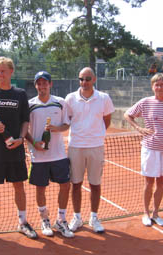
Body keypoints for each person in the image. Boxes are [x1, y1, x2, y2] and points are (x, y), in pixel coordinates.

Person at [0, 57, 37, 244]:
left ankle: (23, 222)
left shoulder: (19, 94)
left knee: (19, 186)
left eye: (3, 71)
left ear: (11, 72)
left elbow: (25, 120)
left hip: (15, 150)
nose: (0, 74)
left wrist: (20, 138)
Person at [124, 73, 163, 227]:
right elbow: (127, 115)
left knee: (161, 182)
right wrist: (139, 128)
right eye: (156, 84)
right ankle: (145, 213)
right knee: (149, 181)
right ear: (152, 86)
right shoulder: (145, 102)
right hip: (150, 148)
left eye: (162, 84)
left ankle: (156, 213)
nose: (159, 87)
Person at [65, 67, 115, 233]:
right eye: (81, 79)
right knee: (76, 184)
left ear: (94, 79)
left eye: (87, 78)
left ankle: (94, 217)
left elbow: (106, 121)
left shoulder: (104, 98)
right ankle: (77, 217)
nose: (84, 82)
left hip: (96, 147)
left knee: (95, 184)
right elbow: (68, 120)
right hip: (75, 147)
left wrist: (95, 135)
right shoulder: (70, 98)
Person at [25, 71, 74, 238]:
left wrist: (57, 129)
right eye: (39, 83)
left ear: (50, 84)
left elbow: (66, 124)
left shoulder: (60, 103)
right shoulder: (30, 104)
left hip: (59, 154)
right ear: (35, 85)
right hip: (38, 156)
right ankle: (44, 220)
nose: (42, 86)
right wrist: (34, 143)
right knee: (40, 188)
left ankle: (61, 220)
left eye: (45, 83)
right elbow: (24, 130)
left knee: (65, 185)